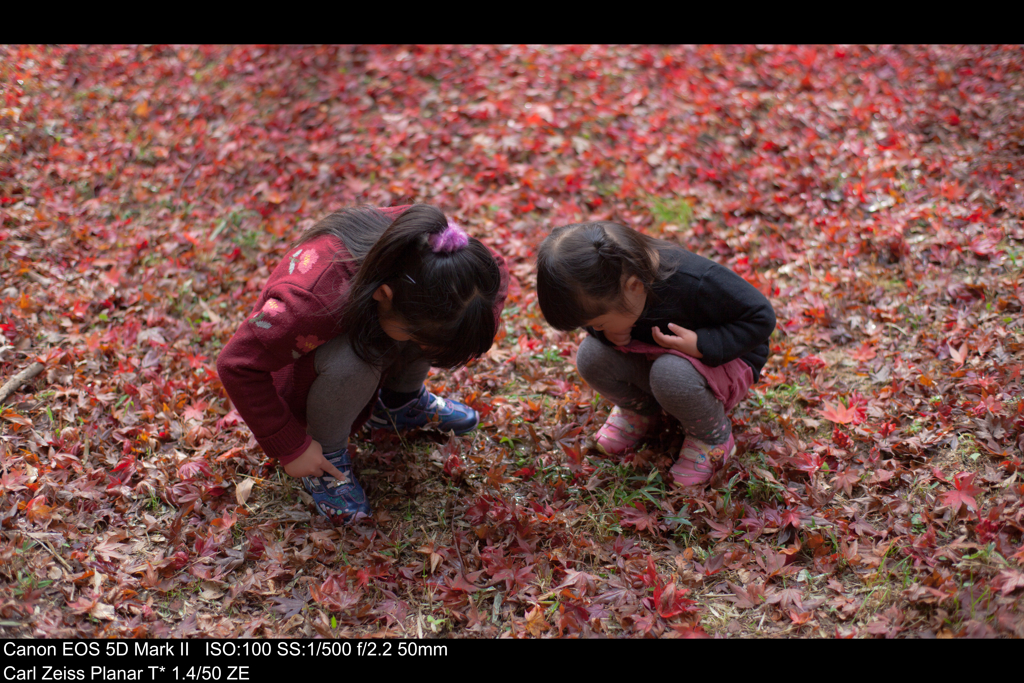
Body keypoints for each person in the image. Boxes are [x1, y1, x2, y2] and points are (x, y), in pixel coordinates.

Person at [217, 204, 508, 523]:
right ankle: (326, 455)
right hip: (303, 376)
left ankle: (398, 403)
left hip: (368, 322)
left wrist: (464, 329)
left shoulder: (440, 262)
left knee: (437, 326)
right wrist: (292, 447)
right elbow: (236, 364)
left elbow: (497, 269)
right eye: (418, 339)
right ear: (384, 294)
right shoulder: (310, 303)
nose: (424, 350)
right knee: (356, 361)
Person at [536, 220, 775, 486]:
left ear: (634, 286)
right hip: (656, 355)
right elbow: (597, 330)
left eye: (598, 323)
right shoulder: (615, 288)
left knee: (669, 375)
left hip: (726, 361)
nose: (593, 329)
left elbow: (761, 317)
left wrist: (702, 344)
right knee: (591, 355)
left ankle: (712, 437)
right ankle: (640, 411)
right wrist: (604, 333)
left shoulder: (697, 281)